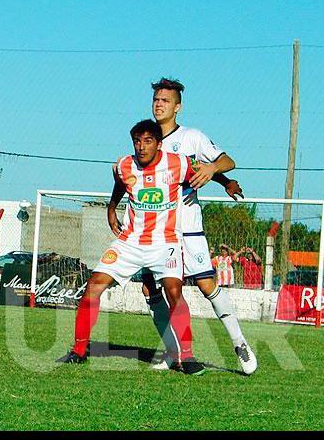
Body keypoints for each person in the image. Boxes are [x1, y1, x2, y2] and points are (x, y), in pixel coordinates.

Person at [58, 119, 205, 375]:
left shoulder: (178, 163)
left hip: (165, 241)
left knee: (173, 291)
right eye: (137, 141)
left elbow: (203, 172)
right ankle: (79, 350)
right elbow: (120, 184)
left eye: (148, 141)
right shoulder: (125, 165)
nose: (141, 147)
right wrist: (112, 207)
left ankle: (188, 357)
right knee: (94, 285)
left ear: (159, 144)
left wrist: (225, 181)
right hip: (131, 241)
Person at [144, 78, 257, 375]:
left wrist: (219, 176)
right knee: (154, 289)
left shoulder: (192, 137)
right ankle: (172, 350)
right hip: (155, 229)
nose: (159, 103)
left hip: (188, 227)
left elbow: (225, 160)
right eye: (156, 98)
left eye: (165, 100)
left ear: (178, 107)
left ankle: (239, 342)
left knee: (207, 285)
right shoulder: (146, 138)